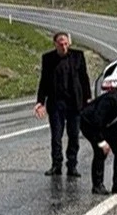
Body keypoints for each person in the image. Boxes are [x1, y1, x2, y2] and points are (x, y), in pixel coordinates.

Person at [34, 31, 92, 178]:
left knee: (73, 136)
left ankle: (72, 165)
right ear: (55, 44)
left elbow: (84, 79)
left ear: (69, 43)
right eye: (61, 44)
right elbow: (44, 82)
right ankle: (56, 165)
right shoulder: (48, 59)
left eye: (66, 43)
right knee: (56, 136)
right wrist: (40, 102)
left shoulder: (78, 56)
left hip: (74, 103)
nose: (64, 46)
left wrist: (88, 99)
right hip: (56, 103)